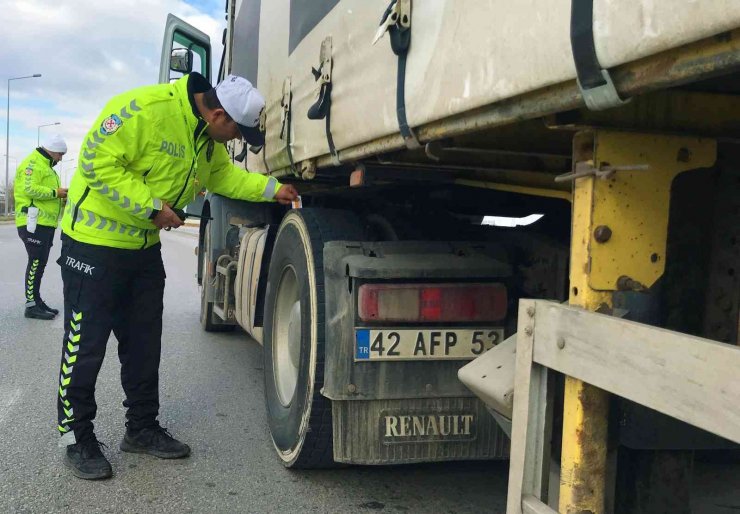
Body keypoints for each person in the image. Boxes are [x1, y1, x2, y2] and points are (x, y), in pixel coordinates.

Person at [56, 72, 298, 480]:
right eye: (237, 133)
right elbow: (97, 161)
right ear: (219, 115)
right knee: (85, 346)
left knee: (144, 344)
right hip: (94, 246)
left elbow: (223, 177)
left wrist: (272, 188)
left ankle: (142, 428)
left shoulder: (206, 140)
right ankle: (75, 436)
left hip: (143, 252)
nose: (236, 141)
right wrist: (151, 207)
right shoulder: (145, 110)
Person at [14, 135, 68, 320]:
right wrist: (56, 192)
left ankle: (36, 301)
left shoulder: (45, 166)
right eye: (60, 154)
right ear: (52, 150)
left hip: (44, 224)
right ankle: (31, 306)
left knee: (40, 263)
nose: (60, 158)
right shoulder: (33, 164)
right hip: (32, 222)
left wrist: (61, 196)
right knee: (36, 261)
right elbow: (29, 189)